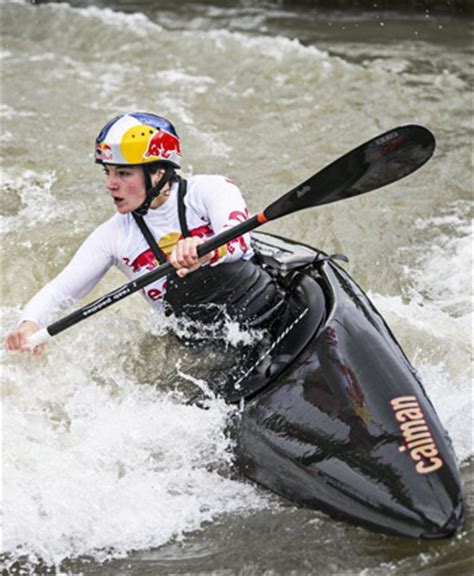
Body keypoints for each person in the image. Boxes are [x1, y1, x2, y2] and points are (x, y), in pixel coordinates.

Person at [5, 112, 284, 363]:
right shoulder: (112, 235)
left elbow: (239, 240)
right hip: (200, 344)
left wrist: (205, 250)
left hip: (262, 308)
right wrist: (29, 322)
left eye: (123, 173)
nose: (110, 184)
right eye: (108, 172)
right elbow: (59, 290)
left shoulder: (210, 190)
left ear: (158, 172)